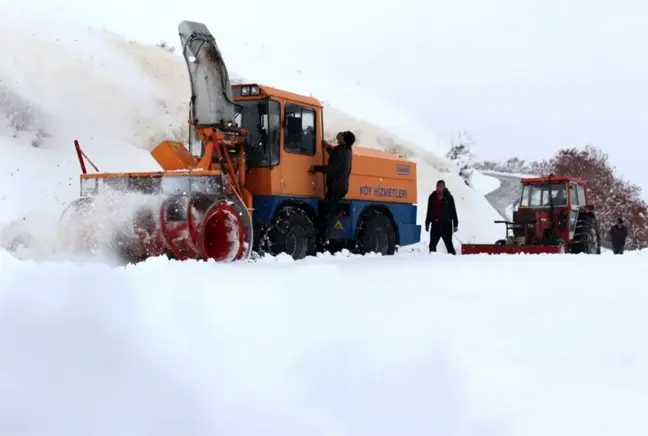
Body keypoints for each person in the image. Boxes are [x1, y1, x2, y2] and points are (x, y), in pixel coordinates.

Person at [309, 130, 355, 244]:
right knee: (329, 211)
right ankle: (325, 237)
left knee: (325, 213)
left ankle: (323, 239)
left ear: (344, 140)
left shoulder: (341, 152)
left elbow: (331, 168)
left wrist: (316, 168)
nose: (340, 134)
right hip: (341, 187)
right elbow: (335, 155)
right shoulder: (346, 150)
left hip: (336, 188)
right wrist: (327, 148)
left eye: (343, 134)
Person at [425, 179, 458, 255]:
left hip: (446, 225)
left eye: (440, 186)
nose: (438, 188)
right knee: (432, 246)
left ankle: (453, 261)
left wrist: (455, 224)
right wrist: (427, 223)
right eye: (437, 186)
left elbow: (453, 211)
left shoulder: (449, 197)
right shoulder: (432, 197)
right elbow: (429, 211)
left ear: (444, 187)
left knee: (449, 245)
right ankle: (433, 261)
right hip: (435, 225)